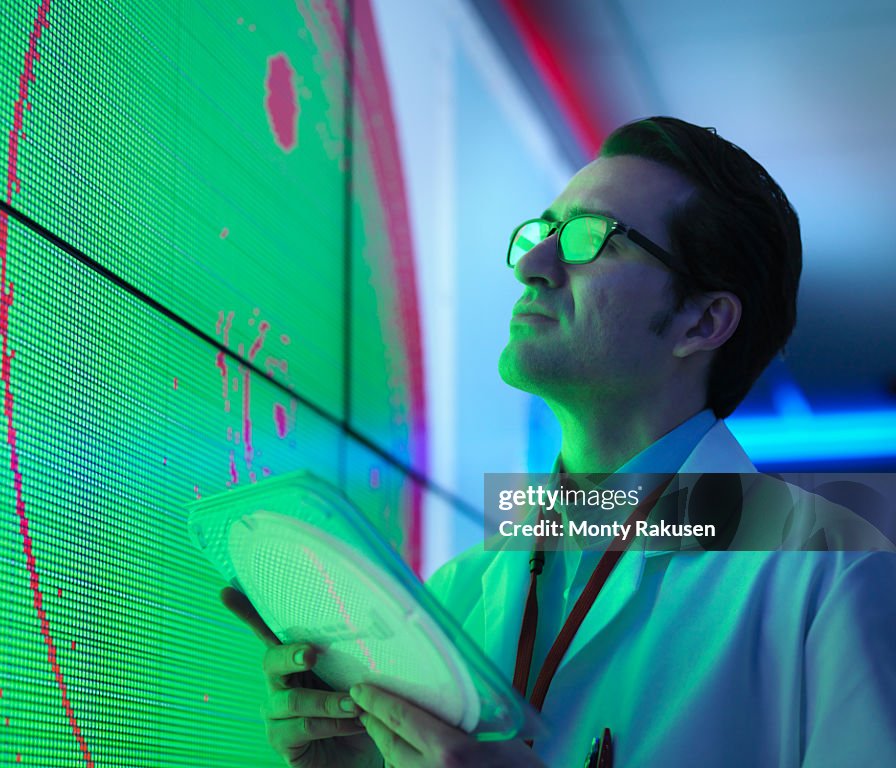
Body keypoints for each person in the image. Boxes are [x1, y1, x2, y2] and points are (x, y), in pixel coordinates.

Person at [224, 117, 896, 766]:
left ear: (702, 320)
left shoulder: (835, 571)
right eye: (544, 231)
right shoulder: (455, 595)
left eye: (590, 238)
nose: (534, 265)